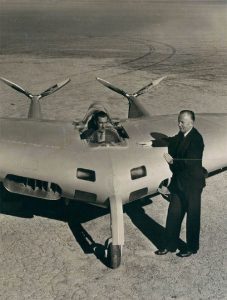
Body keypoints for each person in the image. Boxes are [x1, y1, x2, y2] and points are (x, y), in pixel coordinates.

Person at [140, 110, 206, 257]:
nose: (179, 124)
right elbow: (171, 140)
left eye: (182, 122)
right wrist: (153, 143)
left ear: (191, 123)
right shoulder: (181, 135)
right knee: (173, 215)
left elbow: (189, 163)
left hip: (192, 186)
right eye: (179, 120)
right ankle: (169, 245)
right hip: (179, 183)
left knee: (193, 217)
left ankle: (191, 248)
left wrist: (171, 161)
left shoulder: (196, 140)